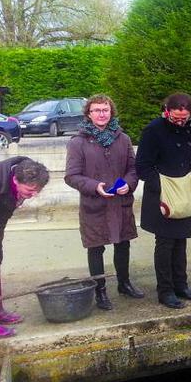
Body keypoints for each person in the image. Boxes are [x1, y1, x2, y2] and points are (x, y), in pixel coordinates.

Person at [65, 95, 143, 311]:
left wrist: (128, 183)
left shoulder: (123, 139)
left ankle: (124, 284)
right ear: (88, 114)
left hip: (120, 202)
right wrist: (94, 186)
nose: (101, 114)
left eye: (105, 110)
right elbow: (71, 176)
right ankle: (100, 290)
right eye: (97, 110)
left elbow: (133, 169)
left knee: (123, 244)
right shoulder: (78, 142)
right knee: (95, 248)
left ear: (111, 112)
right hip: (94, 204)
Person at [136, 93, 191, 309]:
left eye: (184, 118)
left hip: (186, 192)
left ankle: (181, 285)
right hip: (163, 195)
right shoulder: (153, 129)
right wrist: (163, 186)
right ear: (167, 111)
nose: (180, 122)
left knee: (181, 241)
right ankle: (165, 291)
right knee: (165, 244)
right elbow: (142, 166)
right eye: (176, 118)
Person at [0, 157, 48, 337]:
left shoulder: (27, 168)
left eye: (37, 191)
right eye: (30, 190)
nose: (34, 194)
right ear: (15, 180)